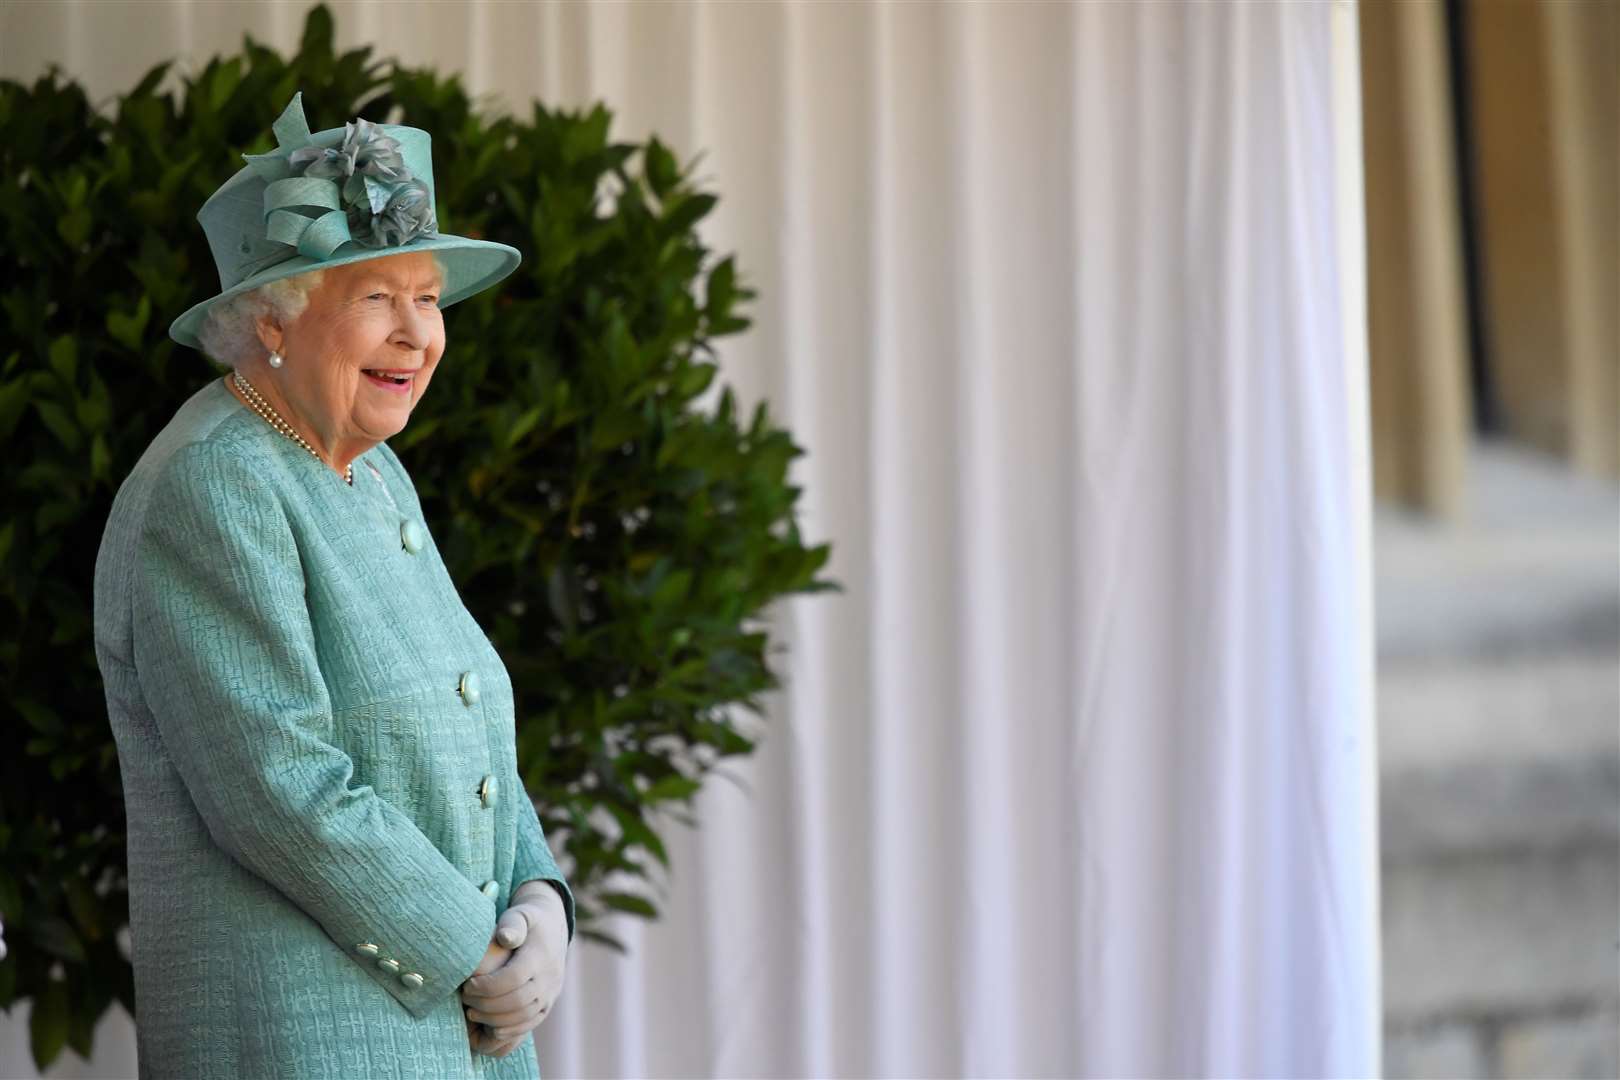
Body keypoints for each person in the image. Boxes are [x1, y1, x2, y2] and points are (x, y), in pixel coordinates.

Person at [92, 91, 575, 1080]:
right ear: (273, 320)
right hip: (307, 1046)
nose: (417, 336)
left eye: (429, 298)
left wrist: (543, 902)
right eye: (376, 299)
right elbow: (280, 790)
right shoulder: (215, 483)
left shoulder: (366, 470)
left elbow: (465, 705)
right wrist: (477, 952)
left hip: (455, 1045)